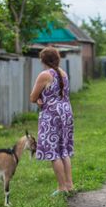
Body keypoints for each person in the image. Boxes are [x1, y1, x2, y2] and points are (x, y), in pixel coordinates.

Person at [30, 47, 74, 196]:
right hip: (66, 112)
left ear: (43, 60)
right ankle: (69, 185)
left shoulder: (45, 75)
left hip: (51, 115)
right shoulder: (64, 73)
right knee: (64, 150)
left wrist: (39, 100)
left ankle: (62, 188)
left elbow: (32, 97)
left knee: (53, 152)